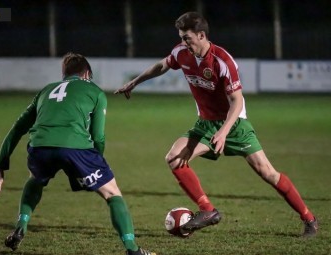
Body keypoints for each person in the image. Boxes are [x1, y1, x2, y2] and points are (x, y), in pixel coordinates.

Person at [115, 12, 318, 237]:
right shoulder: (181, 53)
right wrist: (135, 81)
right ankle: (208, 210)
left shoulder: (222, 61)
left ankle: (309, 218)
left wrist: (223, 132)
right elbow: (163, 65)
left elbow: (237, 100)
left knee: (268, 173)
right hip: (205, 124)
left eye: (187, 38)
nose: (183, 42)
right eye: (181, 37)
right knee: (174, 158)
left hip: (234, 124)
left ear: (201, 35)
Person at [0, 52, 158, 255]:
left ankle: (20, 226)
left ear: (65, 74)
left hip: (40, 147)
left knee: (36, 179)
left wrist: (0, 166)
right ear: (87, 73)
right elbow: (98, 136)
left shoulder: (46, 90)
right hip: (76, 149)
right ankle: (132, 248)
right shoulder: (95, 92)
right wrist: (97, 162)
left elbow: (17, 128)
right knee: (112, 193)